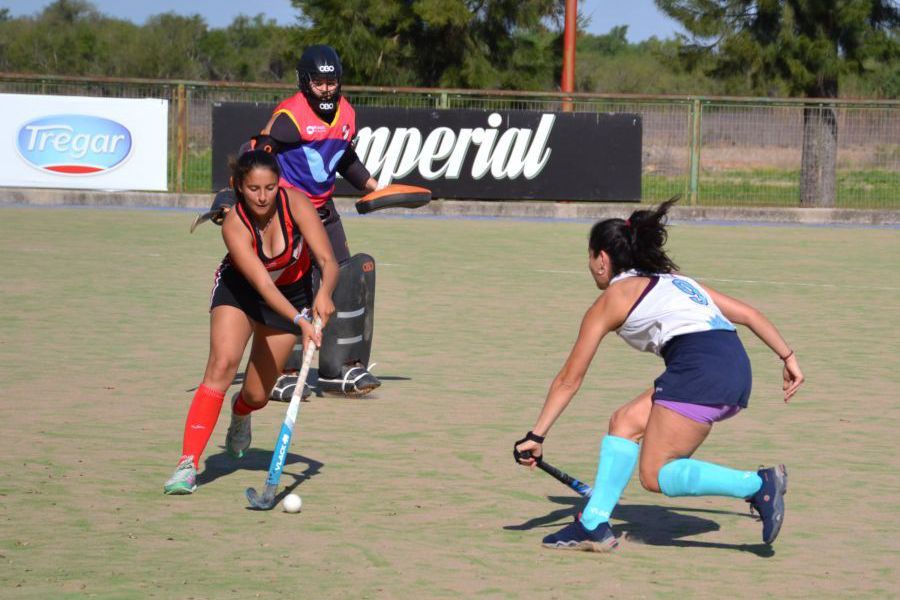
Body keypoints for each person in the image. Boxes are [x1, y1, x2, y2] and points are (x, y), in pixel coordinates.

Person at [513, 197, 804, 550]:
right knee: (624, 422)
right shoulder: (676, 282)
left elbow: (569, 380)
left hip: (701, 372)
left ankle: (757, 485)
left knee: (655, 474)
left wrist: (537, 435)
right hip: (733, 366)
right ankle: (593, 522)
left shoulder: (611, 300)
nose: (590, 266)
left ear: (602, 259)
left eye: (589, 258)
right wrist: (788, 356)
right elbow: (749, 313)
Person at [164, 150, 339, 495]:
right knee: (222, 363)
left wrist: (325, 293)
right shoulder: (234, 224)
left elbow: (327, 260)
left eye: (270, 188)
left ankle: (240, 412)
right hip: (241, 290)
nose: (263, 197)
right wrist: (300, 322)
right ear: (239, 188)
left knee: (257, 395)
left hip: (292, 293)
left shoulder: (297, 204)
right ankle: (187, 464)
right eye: (254, 189)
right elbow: (260, 283)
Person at [249, 43, 382, 398]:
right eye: (319, 82)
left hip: (324, 210)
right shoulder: (289, 117)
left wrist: (372, 186)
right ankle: (282, 370)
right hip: (289, 210)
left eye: (331, 82)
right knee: (291, 284)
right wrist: (237, 194)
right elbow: (258, 153)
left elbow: (344, 157)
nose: (326, 89)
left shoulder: (347, 114)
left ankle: (339, 367)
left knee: (343, 277)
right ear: (304, 82)